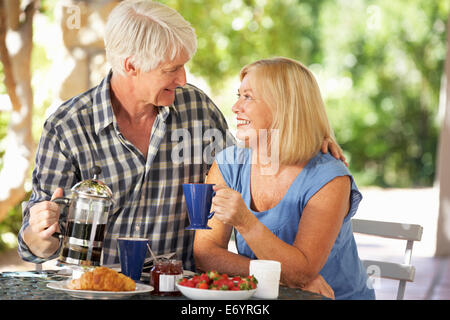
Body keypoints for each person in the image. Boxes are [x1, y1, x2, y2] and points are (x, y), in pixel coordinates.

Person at [17, 1, 342, 272]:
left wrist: (313, 142)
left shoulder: (197, 110)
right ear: (131, 66)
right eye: (171, 69)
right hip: (99, 287)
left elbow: (246, 164)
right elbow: (34, 248)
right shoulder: (68, 127)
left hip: (178, 289)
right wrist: (41, 232)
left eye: (184, 66)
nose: (183, 78)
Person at [194, 57, 375, 299]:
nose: (236, 106)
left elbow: (300, 273)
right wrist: (278, 276)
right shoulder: (229, 165)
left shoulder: (329, 178)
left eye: (248, 97)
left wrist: (245, 221)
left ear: (284, 105)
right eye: (239, 95)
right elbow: (205, 254)